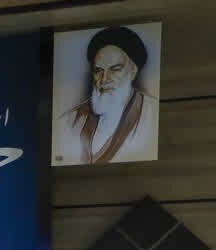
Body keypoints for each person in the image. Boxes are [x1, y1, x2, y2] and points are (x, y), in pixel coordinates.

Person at [56, 25, 158, 165]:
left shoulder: (153, 113)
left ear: (133, 71)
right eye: (98, 71)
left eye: (115, 69)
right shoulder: (70, 120)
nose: (104, 79)